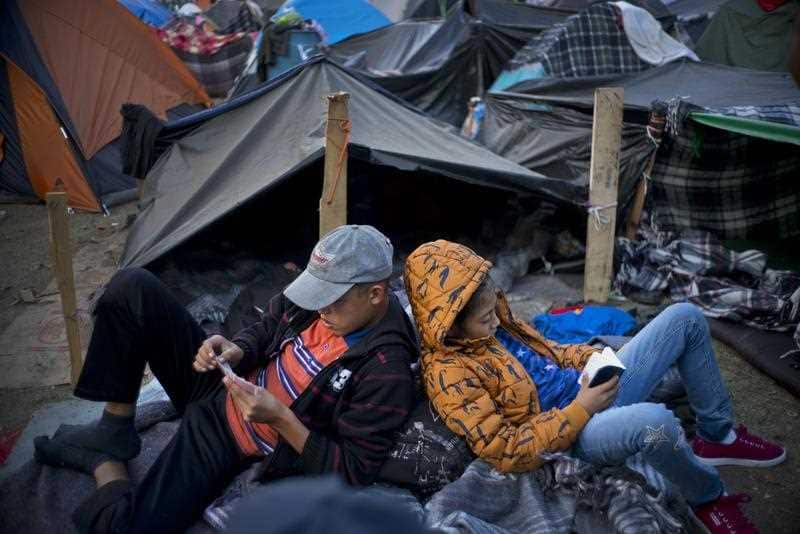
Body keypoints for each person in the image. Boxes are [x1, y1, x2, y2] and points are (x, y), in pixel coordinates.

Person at [34, 225, 418, 534]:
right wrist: (235, 350)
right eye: (317, 294)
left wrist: (281, 418)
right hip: (216, 383)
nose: (321, 308)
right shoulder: (321, 304)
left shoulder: (386, 369)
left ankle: (104, 463)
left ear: (375, 294)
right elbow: (268, 326)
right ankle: (115, 428)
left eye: (333, 301)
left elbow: (352, 470)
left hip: (228, 436)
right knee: (131, 287)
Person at [404, 240, 786, 534]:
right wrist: (581, 408)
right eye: (485, 320)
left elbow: (550, 351)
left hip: (588, 390)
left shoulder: (495, 316)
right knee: (655, 424)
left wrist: (589, 360)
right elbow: (504, 449)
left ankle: (716, 435)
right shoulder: (448, 374)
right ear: (449, 326)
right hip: (570, 436)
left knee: (684, 317)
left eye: (493, 312)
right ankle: (709, 497)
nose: (494, 323)